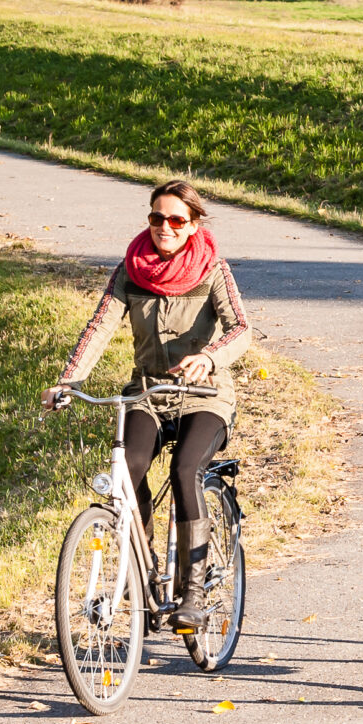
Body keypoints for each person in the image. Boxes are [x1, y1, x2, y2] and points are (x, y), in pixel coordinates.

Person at [45, 180, 252, 634]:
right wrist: (68, 381)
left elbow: (241, 329)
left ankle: (193, 594)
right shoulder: (130, 270)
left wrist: (209, 356)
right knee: (128, 469)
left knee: (184, 471)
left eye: (177, 220)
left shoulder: (213, 268)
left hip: (206, 397)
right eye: (157, 217)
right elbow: (99, 327)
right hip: (147, 395)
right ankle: (144, 562)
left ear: (193, 224)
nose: (165, 227)